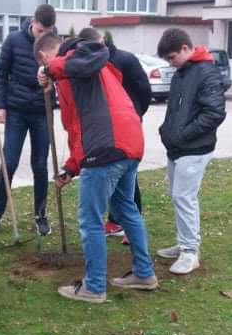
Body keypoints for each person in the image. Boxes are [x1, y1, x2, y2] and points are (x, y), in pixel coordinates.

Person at [35, 32, 158, 303]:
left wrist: (48, 70)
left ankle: (93, 287)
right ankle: (144, 273)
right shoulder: (80, 71)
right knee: (127, 208)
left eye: (44, 63)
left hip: (106, 148)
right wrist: (70, 168)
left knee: (90, 219)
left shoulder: (81, 53)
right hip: (128, 144)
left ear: (45, 56)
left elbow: (89, 54)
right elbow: (77, 128)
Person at [156, 28, 226, 275]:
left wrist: (183, 134)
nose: (171, 63)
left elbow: (215, 113)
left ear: (185, 49)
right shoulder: (182, 73)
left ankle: (190, 251)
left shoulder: (207, 73)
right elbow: (175, 109)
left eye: (172, 57)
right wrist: (167, 131)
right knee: (178, 196)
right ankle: (183, 243)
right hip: (177, 147)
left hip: (194, 148)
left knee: (184, 197)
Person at [0, 4, 57, 236]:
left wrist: (52, 84)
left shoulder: (55, 44)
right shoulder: (13, 40)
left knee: (40, 166)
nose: (42, 35)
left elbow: (62, 75)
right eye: (40, 30)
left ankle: (41, 215)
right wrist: (1, 106)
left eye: (47, 31)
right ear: (33, 21)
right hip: (16, 111)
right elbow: (1, 74)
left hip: (42, 112)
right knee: (9, 162)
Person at [77, 27, 152, 242]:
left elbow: (144, 90)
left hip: (127, 125)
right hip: (106, 129)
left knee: (128, 179)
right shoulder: (91, 63)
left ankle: (130, 225)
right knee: (112, 176)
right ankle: (114, 220)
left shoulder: (124, 60)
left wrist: (135, 113)